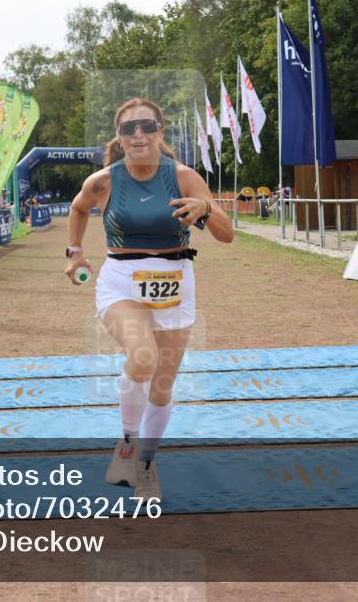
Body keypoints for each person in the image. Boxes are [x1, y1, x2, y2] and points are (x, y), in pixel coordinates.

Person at [63, 97, 234, 500]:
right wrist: (74, 254)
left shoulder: (184, 176)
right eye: (128, 129)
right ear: (119, 138)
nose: (137, 134)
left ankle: (147, 462)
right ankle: (126, 442)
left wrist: (206, 210)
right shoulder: (103, 181)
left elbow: (227, 234)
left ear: (160, 131)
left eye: (146, 126)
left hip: (176, 283)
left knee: (162, 386)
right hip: (121, 282)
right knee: (143, 357)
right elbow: (77, 208)